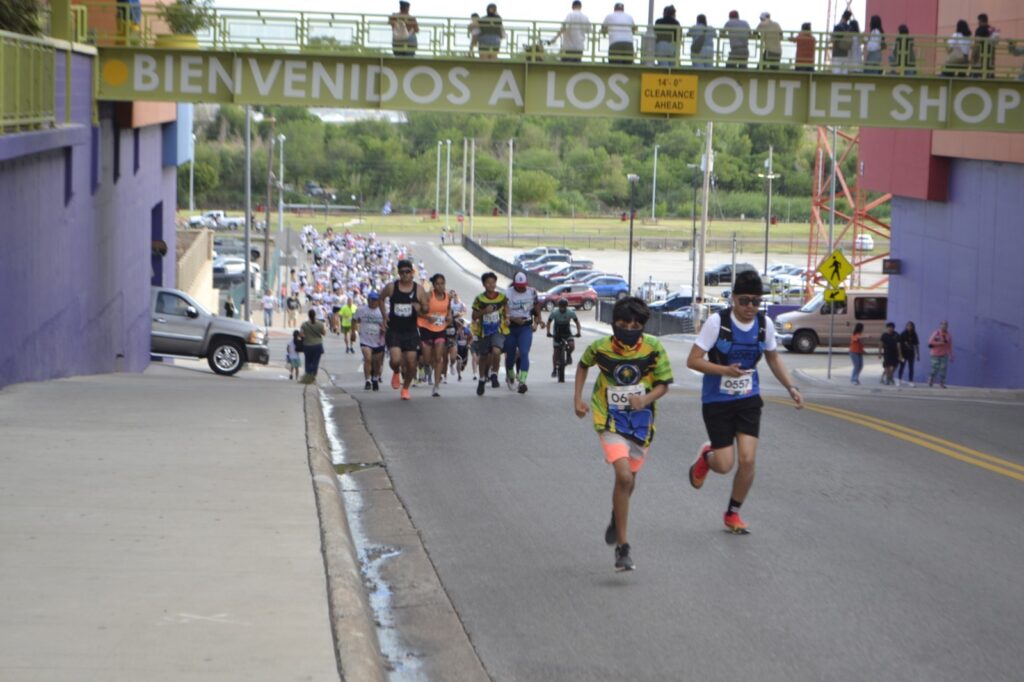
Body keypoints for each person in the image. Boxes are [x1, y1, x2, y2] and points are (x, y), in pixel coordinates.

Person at [686, 271, 803, 533]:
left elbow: (773, 358)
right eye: (744, 301)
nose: (750, 307)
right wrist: (724, 371)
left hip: (749, 398)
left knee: (748, 460)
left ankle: (732, 513)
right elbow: (693, 360)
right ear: (733, 299)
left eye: (756, 301)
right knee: (725, 465)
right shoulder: (718, 323)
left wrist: (791, 387)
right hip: (717, 400)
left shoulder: (765, 324)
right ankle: (707, 456)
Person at [574, 297, 673, 571]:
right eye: (624, 322)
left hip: (641, 423)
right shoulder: (600, 348)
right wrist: (577, 399)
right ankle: (623, 547)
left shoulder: (654, 348)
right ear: (614, 323)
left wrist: (645, 399)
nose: (630, 328)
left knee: (629, 483)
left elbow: (664, 384)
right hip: (609, 419)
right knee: (623, 475)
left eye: (636, 324)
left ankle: (617, 516)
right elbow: (583, 365)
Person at [380, 259, 428, 401]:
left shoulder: (418, 289)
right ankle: (396, 371)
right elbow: (380, 299)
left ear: (412, 273)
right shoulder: (392, 287)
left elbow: (426, 308)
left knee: (412, 362)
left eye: (408, 272)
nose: (405, 275)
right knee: (395, 360)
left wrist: (420, 307)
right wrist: (384, 316)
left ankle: (405, 388)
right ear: (398, 273)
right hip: (394, 329)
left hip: (411, 331)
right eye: (402, 272)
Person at [503, 272, 543, 394]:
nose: (521, 288)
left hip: (525, 327)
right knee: (510, 356)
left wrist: (538, 321)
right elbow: (504, 310)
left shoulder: (532, 292)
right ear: (514, 284)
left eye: (523, 285)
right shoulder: (508, 293)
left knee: (524, 353)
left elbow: (536, 308)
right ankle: (510, 374)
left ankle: (522, 382)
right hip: (511, 328)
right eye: (519, 286)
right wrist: (511, 318)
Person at [471, 271, 508, 396]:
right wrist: (484, 311)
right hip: (484, 332)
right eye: (488, 282)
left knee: (496, 351)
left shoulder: (502, 297)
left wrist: (507, 317)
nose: (491, 285)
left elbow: (506, 307)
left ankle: (494, 374)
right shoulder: (479, 299)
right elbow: (474, 316)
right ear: (483, 284)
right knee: (484, 356)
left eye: (493, 282)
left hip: (498, 330)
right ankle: (482, 379)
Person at [417, 273, 452, 397]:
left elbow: (449, 311)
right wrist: (427, 317)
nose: (440, 286)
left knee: (438, 358)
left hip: (440, 329)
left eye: (442, 283)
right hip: (426, 328)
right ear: (433, 285)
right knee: (426, 359)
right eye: (437, 284)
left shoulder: (448, 297)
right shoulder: (427, 296)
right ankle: (427, 366)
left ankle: (436, 386)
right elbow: (418, 311)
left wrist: (449, 317)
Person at [355, 292, 386, 391]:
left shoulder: (382, 311)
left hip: (379, 341)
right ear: (368, 300)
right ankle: (367, 380)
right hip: (365, 340)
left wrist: (384, 328)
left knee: (377, 363)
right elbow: (354, 320)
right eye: (372, 300)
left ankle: (375, 378)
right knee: (368, 359)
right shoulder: (361, 310)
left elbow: (388, 323)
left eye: (376, 300)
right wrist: (352, 332)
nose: (374, 302)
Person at [547, 297, 582, 376]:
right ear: (558, 306)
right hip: (557, 332)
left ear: (567, 306)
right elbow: (548, 322)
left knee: (572, 345)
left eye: (564, 307)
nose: (562, 308)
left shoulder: (571, 312)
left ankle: (569, 354)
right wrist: (548, 332)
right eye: (561, 307)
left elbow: (577, 322)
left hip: (567, 332)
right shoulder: (554, 313)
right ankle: (554, 370)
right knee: (556, 351)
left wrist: (578, 332)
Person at [300, 309, 326, 384]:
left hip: (307, 345)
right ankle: (313, 376)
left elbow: (301, 334)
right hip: (317, 345)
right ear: (315, 315)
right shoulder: (320, 324)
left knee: (308, 361)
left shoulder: (304, 324)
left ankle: (308, 374)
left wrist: (306, 336)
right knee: (315, 362)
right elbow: (324, 333)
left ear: (308, 315)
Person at [927, 320, 954, 388]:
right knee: (935, 368)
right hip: (935, 354)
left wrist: (951, 355)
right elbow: (930, 342)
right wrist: (939, 343)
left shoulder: (948, 335)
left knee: (943, 369)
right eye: (943, 324)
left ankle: (942, 383)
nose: (944, 326)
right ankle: (931, 378)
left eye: (946, 325)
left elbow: (949, 346)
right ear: (940, 325)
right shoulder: (936, 333)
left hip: (944, 354)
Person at [972, 14, 999, 78]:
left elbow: (977, 42)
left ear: (980, 21)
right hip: (990, 54)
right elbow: (995, 41)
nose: (978, 22)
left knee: (978, 71)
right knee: (989, 69)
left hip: (980, 54)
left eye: (978, 21)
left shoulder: (979, 29)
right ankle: (990, 77)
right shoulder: (992, 29)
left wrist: (973, 54)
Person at [898, 321, 920, 387]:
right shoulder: (903, 334)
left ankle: (910, 381)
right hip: (903, 353)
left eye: (911, 326)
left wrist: (918, 354)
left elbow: (916, 345)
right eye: (908, 326)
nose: (909, 327)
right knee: (902, 367)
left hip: (911, 354)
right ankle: (899, 380)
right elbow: (899, 345)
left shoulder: (914, 334)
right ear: (906, 326)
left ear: (913, 327)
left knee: (911, 367)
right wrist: (900, 355)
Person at [831, 9, 853, 74]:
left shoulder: (837, 27)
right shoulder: (850, 28)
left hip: (837, 52)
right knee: (844, 71)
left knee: (836, 71)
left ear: (842, 16)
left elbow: (833, 39)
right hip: (846, 52)